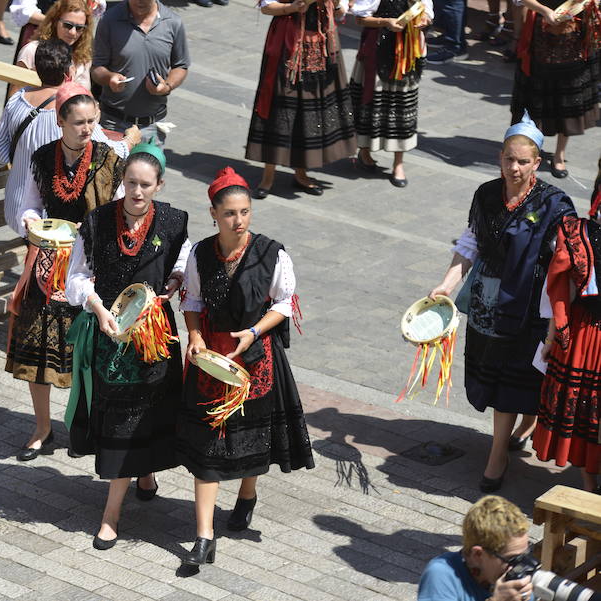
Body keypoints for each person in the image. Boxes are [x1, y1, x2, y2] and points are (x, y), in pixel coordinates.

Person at [176, 167, 315, 569]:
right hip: (212, 361)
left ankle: (247, 492)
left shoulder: (272, 253)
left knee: (252, 440)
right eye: (230, 213)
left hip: (255, 359)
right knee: (208, 449)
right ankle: (204, 537)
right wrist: (195, 336)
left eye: (245, 212)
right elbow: (193, 302)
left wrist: (253, 332)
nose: (238, 221)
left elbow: (284, 303)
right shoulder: (200, 253)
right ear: (213, 215)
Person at [429, 113, 575, 493]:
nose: (514, 168)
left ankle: (497, 456)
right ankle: (521, 428)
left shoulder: (555, 205)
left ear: (537, 164)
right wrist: (447, 284)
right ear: (499, 157)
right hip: (486, 304)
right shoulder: (486, 194)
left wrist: (559, 320)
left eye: (523, 161)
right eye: (509, 159)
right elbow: (471, 243)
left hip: (528, 306)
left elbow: (566, 265)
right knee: (495, 378)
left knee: (514, 382)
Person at [64, 144, 189, 550]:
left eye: (145, 185)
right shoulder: (99, 221)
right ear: (123, 182)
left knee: (153, 409)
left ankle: (146, 471)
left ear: (159, 185)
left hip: (154, 335)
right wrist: (99, 309)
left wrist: (171, 286)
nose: (137, 191)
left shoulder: (173, 221)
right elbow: (77, 277)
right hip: (112, 334)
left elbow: (182, 267)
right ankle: (111, 515)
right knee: (120, 420)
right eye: (131, 183)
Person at [5, 82, 127, 462]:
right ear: (60, 122)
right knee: (37, 349)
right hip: (48, 263)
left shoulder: (110, 160)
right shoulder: (43, 157)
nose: (87, 129)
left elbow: (122, 213)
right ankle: (42, 428)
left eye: (92, 121)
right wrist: (32, 224)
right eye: (78, 122)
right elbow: (30, 203)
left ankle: (86, 426)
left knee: (89, 352)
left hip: (91, 266)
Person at [0, 39, 138, 238]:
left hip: (16, 209)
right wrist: (131, 140)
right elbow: (109, 154)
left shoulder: (17, 99)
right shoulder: (72, 113)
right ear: (69, 71)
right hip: (53, 218)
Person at [533, 156, 601, 494]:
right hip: (587, 336)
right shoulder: (577, 234)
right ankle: (589, 483)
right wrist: (552, 336)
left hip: (589, 336)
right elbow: (561, 291)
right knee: (587, 412)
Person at [245, 0, 357, 198]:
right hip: (287, 44)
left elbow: (340, 12)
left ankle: (301, 172)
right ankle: (268, 176)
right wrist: (294, 7)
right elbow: (266, 7)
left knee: (309, 109)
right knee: (279, 108)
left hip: (321, 44)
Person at [510, 0, 600, 180]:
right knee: (534, 101)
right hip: (542, 36)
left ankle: (559, 154)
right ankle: (528, 152)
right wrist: (544, 10)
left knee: (568, 100)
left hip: (575, 38)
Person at [349, 0, 433, 187]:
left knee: (401, 108)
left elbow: (426, 12)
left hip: (408, 51)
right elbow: (360, 19)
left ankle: (398, 163)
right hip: (378, 47)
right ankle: (364, 151)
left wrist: (425, 19)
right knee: (368, 102)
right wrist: (386, 22)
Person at [91, 0, 190, 146]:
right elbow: (97, 68)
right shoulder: (110, 20)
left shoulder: (173, 22)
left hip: (153, 125)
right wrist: (109, 78)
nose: (139, 2)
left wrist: (166, 86)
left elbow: (181, 65)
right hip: (114, 123)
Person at [417, 495, 534, 601]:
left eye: (525, 555)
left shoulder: (515, 578)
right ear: (477, 555)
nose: (521, 566)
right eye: (513, 559)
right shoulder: (442, 574)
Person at [10, 0, 93, 97]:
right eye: (67, 25)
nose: (73, 32)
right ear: (55, 22)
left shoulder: (83, 56)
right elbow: (14, 95)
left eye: (79, 28)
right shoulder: (32, 50)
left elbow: (86, 92)